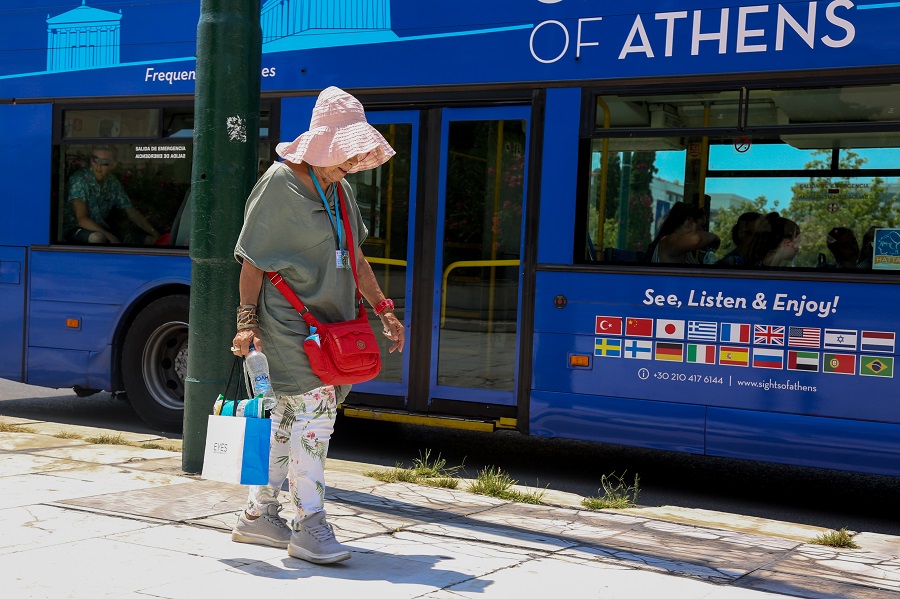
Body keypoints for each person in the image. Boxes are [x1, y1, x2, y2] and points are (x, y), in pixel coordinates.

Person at [229, 86, 405, 564]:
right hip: (288, 323)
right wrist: (246, 322)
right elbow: (251, 260)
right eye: (344, 153)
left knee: (288, 423)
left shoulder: (340, 188)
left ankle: (258, 516)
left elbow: (358, 256)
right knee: (314, 422)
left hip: (334, 324)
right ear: (323, 143)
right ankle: (309, 523)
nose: (350, 164)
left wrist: (383, 308)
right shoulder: (279, 182)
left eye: (354, 155)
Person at [62, 146, 160, 244]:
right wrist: (110, 236)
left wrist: (154, 233)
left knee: (148, 240)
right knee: (98, 238)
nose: (98, 166)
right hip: (75, 229)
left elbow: (130, 211)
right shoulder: (80, 180)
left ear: (113, 165)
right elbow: (82, 219)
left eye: (104, 162)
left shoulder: (112, 182)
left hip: (102, 228)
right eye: (95, 160)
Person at [646, 201, 720, 264]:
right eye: (701, 226)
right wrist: (715, 238)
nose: (703, 231)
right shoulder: (669, 242)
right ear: (690, 222)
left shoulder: (686, 252)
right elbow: (696, 239)